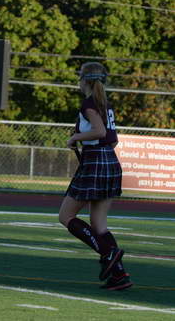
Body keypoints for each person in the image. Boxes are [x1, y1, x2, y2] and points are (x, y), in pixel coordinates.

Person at [58, 62, 132, 290]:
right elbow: (112, 138)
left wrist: (75, 138)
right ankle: (119, 275)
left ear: (85, 80)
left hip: (95, 163)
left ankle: (109, 253)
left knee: (66, 216)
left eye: (80, 78)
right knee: (99, 225)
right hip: (110, 161)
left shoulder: (89, 103)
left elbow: (99, 131)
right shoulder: (105, 104)